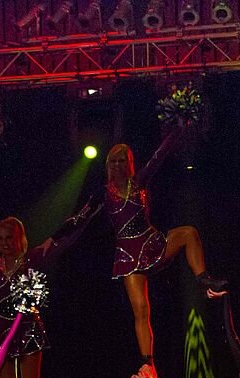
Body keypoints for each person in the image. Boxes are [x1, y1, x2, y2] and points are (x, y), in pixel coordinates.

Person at [57, 128, 226, 364]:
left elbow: (159, 155)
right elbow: (79, 218)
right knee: (141, 310)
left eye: (122, 161)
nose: (117, 165)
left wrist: (178, 128)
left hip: (152, 243)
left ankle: (204, 279)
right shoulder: (103, 194)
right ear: (108, 165)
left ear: (129, 164)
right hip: (128, 255)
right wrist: (52, 239)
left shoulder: (139, 182)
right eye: (113, 161)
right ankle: (147, 360)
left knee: (189, 233)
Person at [0, 216, 90, 378]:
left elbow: (63, 240)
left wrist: (88, 213)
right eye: (0, 239)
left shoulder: (33, 258)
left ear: (19, 238)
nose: (4, 243)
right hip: (1, 331)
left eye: (9, 238)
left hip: (28, 330)